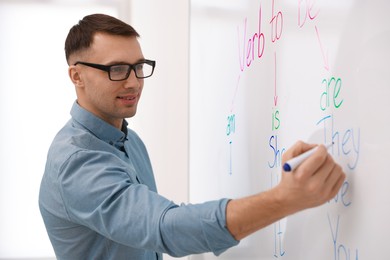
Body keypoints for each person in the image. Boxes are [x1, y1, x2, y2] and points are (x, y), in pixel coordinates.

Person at [39, 13, 346, 260]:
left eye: (138, 67)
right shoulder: (76, 163)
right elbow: (165, 228)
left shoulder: (130, 141)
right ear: (77, 76)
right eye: (117, 69)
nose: (133, 82)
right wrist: (284, 198)